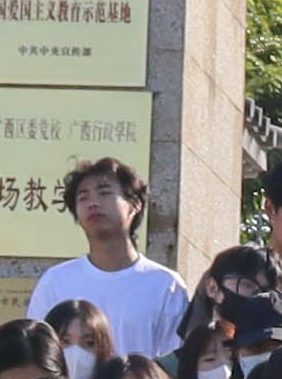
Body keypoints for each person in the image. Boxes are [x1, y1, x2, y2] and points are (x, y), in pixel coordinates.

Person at [32, 154, 193, 361]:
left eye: (104, 193)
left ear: (135, 205)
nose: (93, 203)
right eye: (83, 197)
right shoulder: (55, 281)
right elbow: (39, 356)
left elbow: (175, 363)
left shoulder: (166, 285)